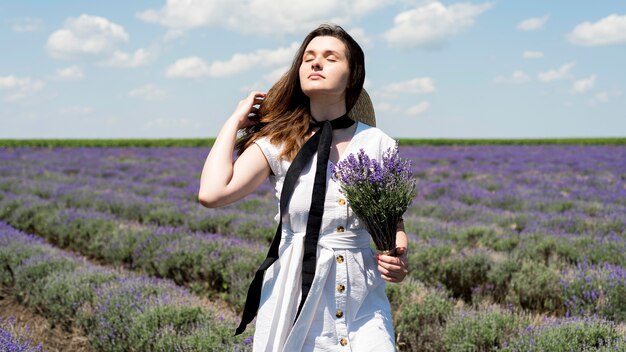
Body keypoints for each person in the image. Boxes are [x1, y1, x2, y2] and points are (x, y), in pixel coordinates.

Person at [198, 23, 409, 352]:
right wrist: (234, 122)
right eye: (308, 57)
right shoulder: (278, 142)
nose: (315, 62)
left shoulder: (377, 143)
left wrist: (396, 255)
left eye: (330, 57)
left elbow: (392, 219)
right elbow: (212, 193)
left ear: (352, 76)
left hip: (361, 300)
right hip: (293, 292)